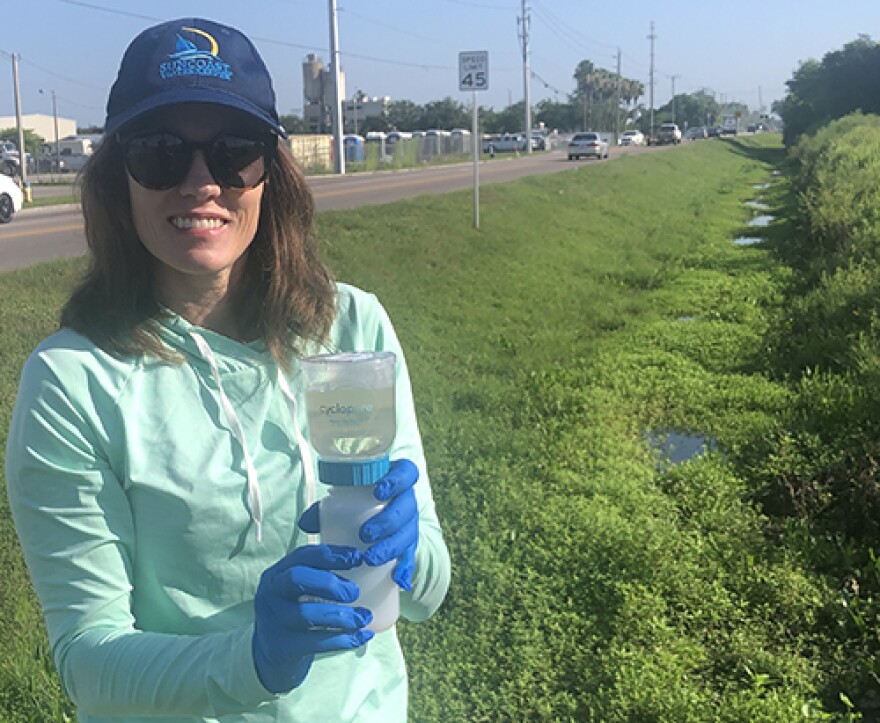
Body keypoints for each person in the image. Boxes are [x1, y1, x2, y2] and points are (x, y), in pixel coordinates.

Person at [5, 17, 450, 722]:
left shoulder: (350, 329)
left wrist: (408, 554)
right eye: (159, 152)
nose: (200, 182)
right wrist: (252, 658)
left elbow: (425, 593)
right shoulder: (73, 382)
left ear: (270, 171)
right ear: (117, 176)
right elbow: (87, 658)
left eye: (234, 151)